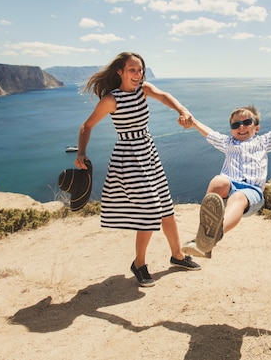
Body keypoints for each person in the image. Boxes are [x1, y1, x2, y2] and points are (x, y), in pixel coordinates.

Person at [74, 52, 200, 287]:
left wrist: (183, 111)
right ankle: (139, 264)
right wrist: (81, 153)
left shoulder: (144, 89)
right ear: (120, 72)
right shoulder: (112, 100)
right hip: (128, 157)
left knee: (166, 208)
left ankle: (178, 256)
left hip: (149, 153)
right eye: (132, 69)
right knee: (151, 210)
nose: (137, 74)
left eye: (140, 69)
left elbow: (165, 96)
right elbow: (86, 126)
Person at [181, 105, 271, 258]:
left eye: (247, 122)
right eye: (235, 124)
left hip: (252, 192)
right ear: (231, 129)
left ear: (256, 128)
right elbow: (209, 134)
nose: (241, 127)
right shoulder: (227, 143)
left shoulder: (264, 142)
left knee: (238, 197)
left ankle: (212, 236)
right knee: (218, 181)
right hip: (229, 186)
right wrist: (193, 122)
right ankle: (204, 236)